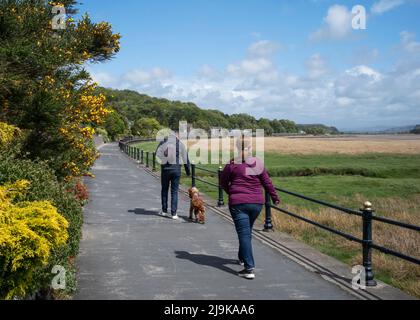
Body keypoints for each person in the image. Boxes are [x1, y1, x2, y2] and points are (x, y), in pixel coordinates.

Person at [220, 137, 280, 280]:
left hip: (238, 204)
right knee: (246, 233)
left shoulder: (232, 164)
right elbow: (267, 183)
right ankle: (242, 258)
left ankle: (249, 268)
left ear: (237, 148)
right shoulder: (257, 163)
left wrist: (233, 193)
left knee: (244, 234)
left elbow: (223, 182)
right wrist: (275, 197)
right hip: (256, 204)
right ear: (250, 148)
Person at [156, 133, 190, 220]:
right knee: (174, 192)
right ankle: (174, 214)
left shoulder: (163, 143)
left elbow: (157, 154)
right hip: (176, 170)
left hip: (165, 170)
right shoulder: (180, 144)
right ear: (176, 137)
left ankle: (164, 211)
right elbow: (186, 158)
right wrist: (188, 171)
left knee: (164, 190)